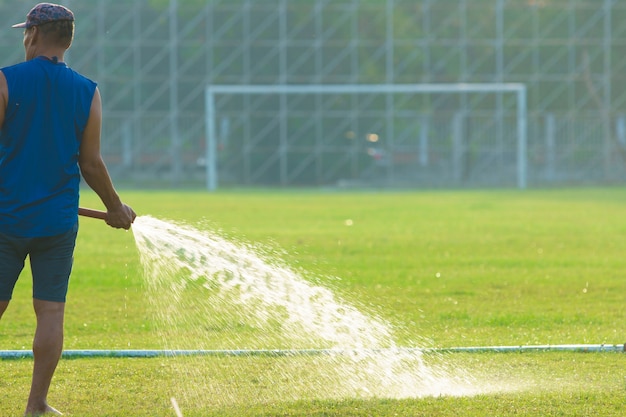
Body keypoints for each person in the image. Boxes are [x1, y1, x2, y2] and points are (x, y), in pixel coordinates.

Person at [0, 3, 136, 416]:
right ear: (68, 39)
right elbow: (91, 162)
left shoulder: (5, 82)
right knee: (51, 311)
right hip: (57, 223)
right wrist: (115, 207)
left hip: (6, 218)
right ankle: (37, 404)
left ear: (34, 35)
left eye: (26, 32)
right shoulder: (87, 90)